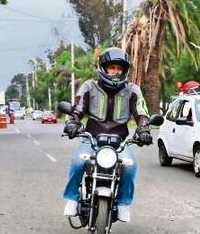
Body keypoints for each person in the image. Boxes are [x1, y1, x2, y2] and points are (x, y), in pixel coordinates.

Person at [62, 47, 151, 223]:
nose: (116, 72)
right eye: (112, 67)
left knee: (130, 166)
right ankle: (72, 198)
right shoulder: (89, 86)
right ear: (103, 68)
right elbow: (78, 108)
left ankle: (124, 203)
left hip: (120, 141)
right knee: (78, 161)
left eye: (120, 68)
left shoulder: (133, 90)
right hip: (92, 138)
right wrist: (73, 122)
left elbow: (141, 113)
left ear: (124, 71)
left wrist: (144, 129)